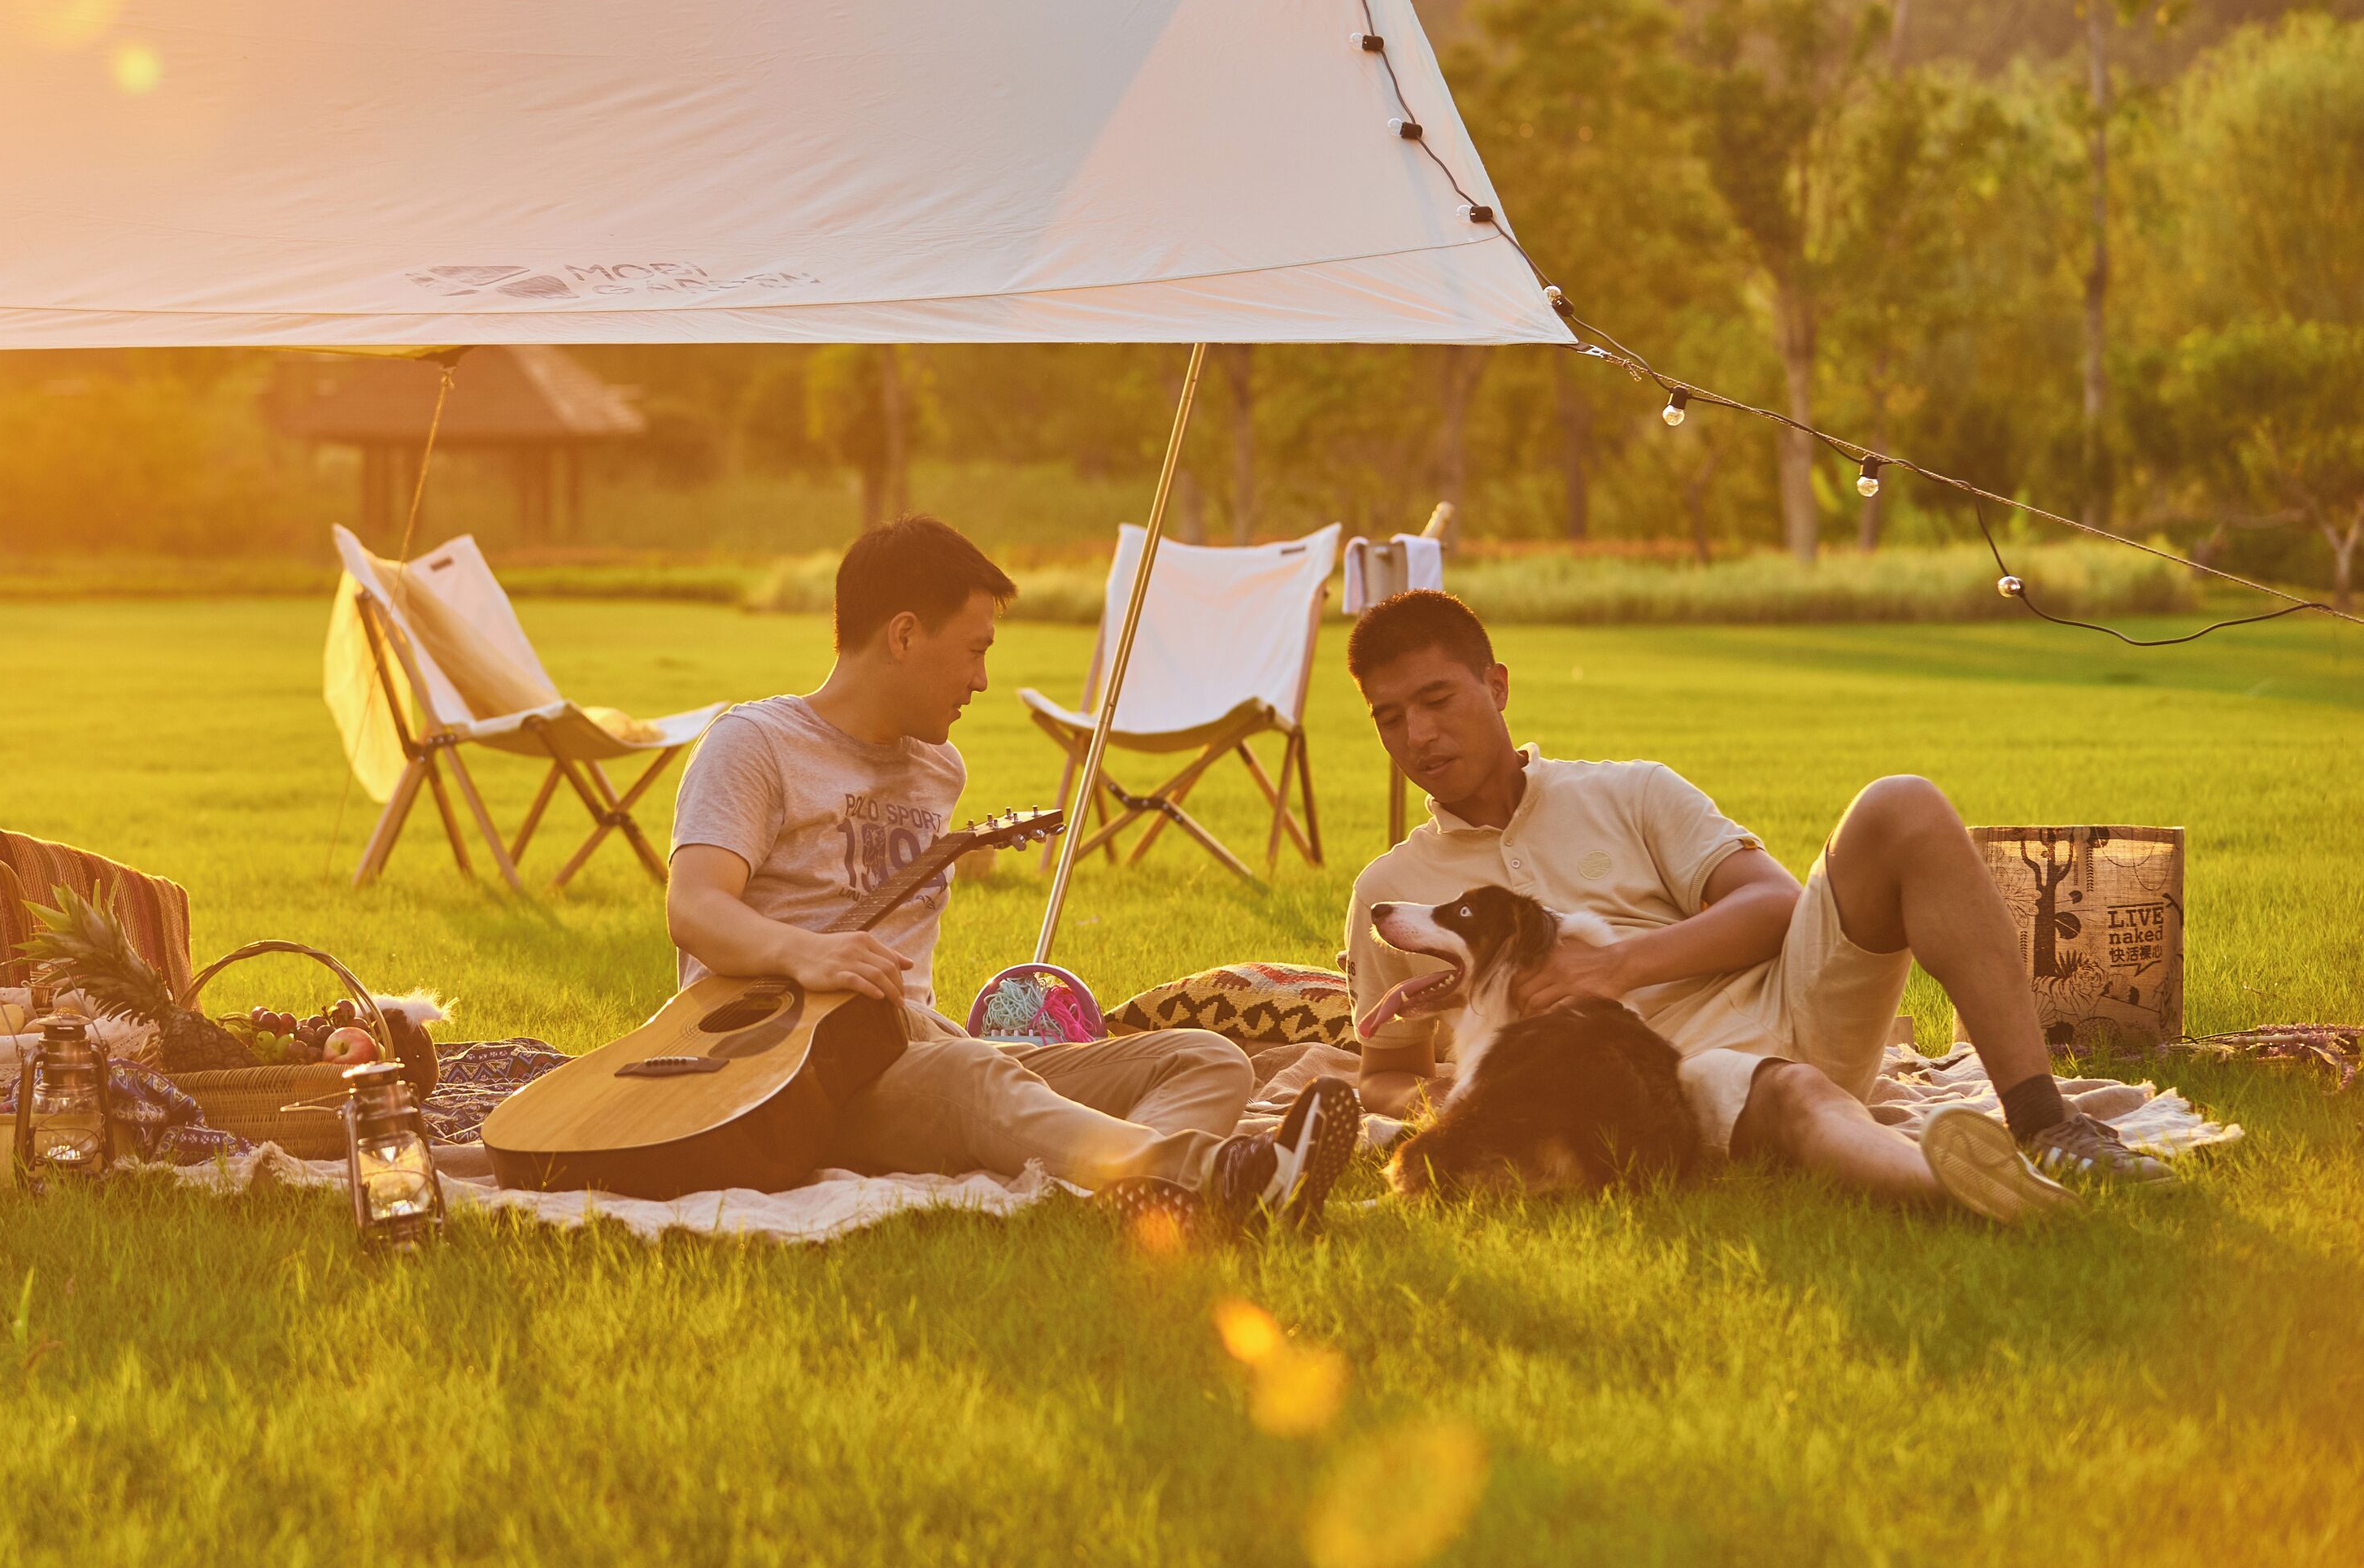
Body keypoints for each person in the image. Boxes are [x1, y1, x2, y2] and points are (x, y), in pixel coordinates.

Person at [1339, 589, 2175, 1221]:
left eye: (1438, 701)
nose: (1417, 736)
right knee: (1793, 1095)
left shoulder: (1630, 792)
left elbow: (1773, 904)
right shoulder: (1393, 893)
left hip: (1790, 1000)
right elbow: (1385, 1076)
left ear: (1497, 685)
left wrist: (1618, 964)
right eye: (1390, 718)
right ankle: (1976, 1196)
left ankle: (2043, 1122)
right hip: (1651, 1085)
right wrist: (1476, 1104)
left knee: (1901, 804)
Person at [668, 515, 1355, 1229]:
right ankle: (1223, 1176)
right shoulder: (755, 745)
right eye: (974, 651)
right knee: (973, 1076)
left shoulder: (937, 768)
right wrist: (808, 952)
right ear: (903, 636)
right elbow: (694, 909)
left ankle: (1139, 1199)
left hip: (920, 1046)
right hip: (792, 1083)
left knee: (1206, 1059)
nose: (983, 680)